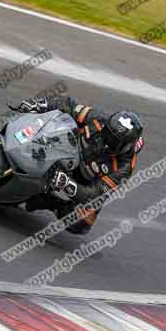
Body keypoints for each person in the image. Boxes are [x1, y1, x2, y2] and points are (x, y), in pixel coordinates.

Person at [17, 95, 145, 235]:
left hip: (83, 180)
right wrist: (41, 104)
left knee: (82, 223)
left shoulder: (124, 167)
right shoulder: (98, 118)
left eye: (115, 142)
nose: (107, 141)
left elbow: (94, 196)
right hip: (66, 149)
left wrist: (66, 183)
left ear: (127, 146)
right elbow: (68, 105)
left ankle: (49, 201)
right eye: (107, 133)